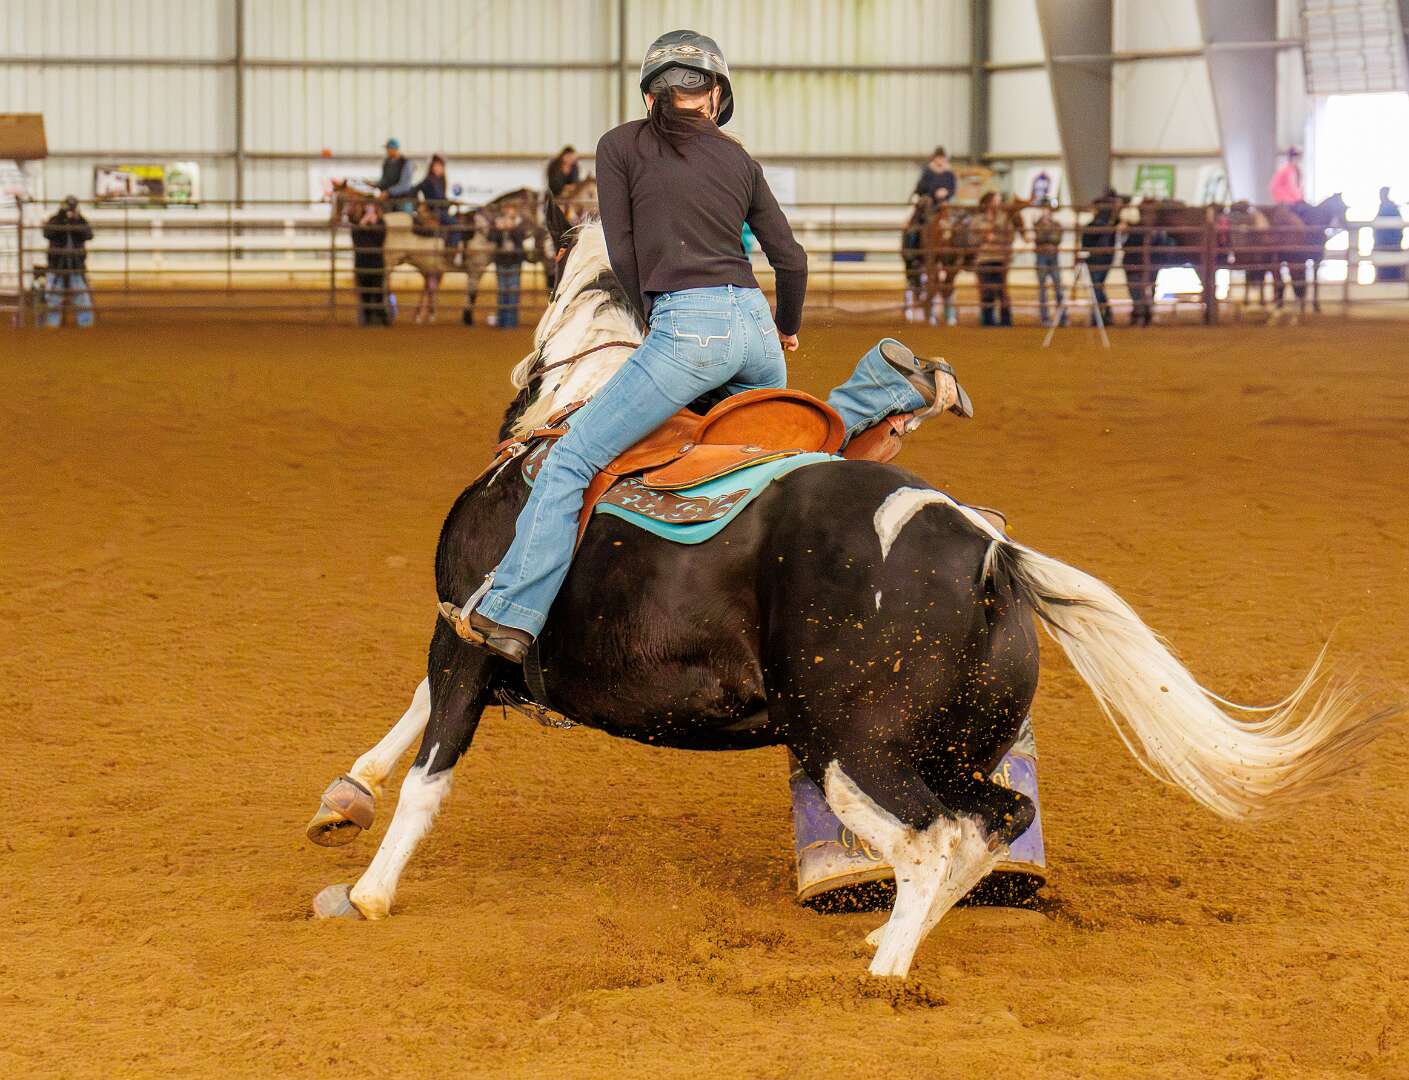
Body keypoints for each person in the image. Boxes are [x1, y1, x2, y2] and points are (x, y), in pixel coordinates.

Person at [462, 30, 971, 661]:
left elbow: (624, 252)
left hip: (686, 327)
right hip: (755, 326)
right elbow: (791, 258)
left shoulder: (618, 146)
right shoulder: (739, 160)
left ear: (650, 94)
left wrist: (655, 319)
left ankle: (513, 612)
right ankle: (883, 389)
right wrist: (785, 326)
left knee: (571, 459)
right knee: (785, 451)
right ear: (715, 96)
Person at [42, 195, 94, 328]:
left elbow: (89, 235)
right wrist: (61, 219)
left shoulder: (80, 220)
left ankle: (85, 323)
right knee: (54, 297)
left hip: (75, 264)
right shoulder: (55, 220)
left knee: (81, 295)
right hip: (57, 264)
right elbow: (47, 233)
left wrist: (76, 221)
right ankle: (53, 324)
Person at [1080, 188, 1122, 327]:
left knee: (1096, 286)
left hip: (1098, 256)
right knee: (1097, 286)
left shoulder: (1100, 222)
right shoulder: (1111, 220)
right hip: (1104, 256)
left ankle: (1101, 314)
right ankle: (1102, 313)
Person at [974, 192, 1014, 326]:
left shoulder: (1005, 219)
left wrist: (996, 239)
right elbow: (971, 239)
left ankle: (1006, 321)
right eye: (996, 200)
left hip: (1000, 258)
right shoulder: (978, 220)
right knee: (986, 291)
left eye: (999, 200)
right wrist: (983, 237)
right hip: (984, 258)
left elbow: (1010, 237)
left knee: (1002, 290)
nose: (999, 203)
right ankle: (988, 320)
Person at [350, 201, 391, 326]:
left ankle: (381, 317)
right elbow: (356, 239)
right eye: (367, 205)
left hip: (376, 262)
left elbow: (381, 239)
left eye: (371, 206)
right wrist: (363, 223)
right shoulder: (356, 222)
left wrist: (373, 224)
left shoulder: (381, 223)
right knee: (365, 293)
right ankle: (367, 317)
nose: (369, 209)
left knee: (378, 292)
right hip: (362, 262)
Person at [489, 207, 527, 328]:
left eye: (511, 216)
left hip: (514, 262)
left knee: (512, 291)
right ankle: (502, 320)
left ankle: (511, 321)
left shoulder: (519, 227)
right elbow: (491, 238)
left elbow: (521, 240)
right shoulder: (497, 226)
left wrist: (512, 229)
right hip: (501, 262)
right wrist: (498, 229)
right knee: (502, 291)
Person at [1031, 200, 1066, 327]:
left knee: (1058, 286)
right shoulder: (1037, 224)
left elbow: (1056, 239)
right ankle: (1045, 317)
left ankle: (1062, 317)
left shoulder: (1055, 224)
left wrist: (1045, 238)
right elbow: (1040, 238)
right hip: (1043, 256)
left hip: (1051, 256)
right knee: (1043, 288)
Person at [371, 138, 416, 212]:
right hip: (389, 200)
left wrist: (389, 192)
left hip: (403, 200)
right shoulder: (387, 163)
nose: (387, 151)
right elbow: (384, 180)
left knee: (404, 217)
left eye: (388, 149)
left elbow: (405, 185)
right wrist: (374, 184)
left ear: (394, 149)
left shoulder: (406, 163)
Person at [1373, 186, 1404, 282]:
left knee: (1389, 268)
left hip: (1387, 243)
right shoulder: (1387, 206)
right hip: (1386, 244)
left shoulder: (1389, 207)